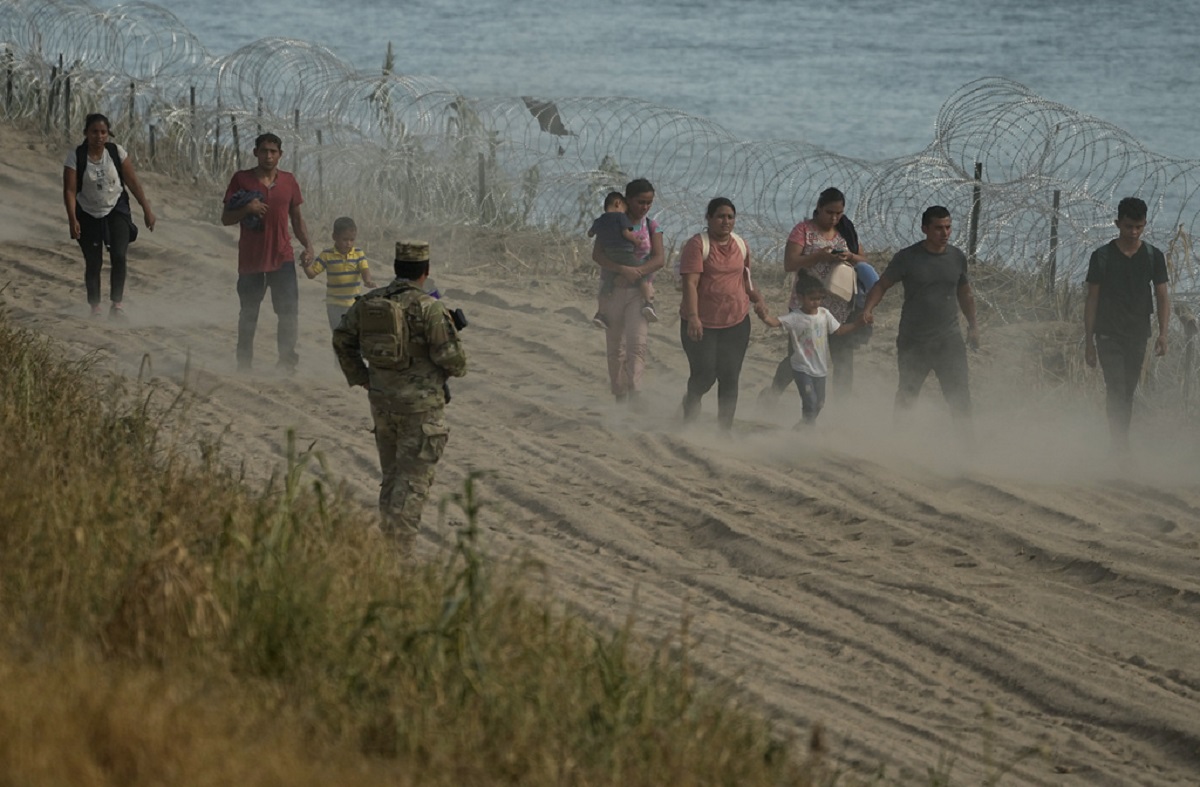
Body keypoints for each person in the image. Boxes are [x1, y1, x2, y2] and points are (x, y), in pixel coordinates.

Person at [331, 240, 468, 553]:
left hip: (382, 404)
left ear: (396, 268)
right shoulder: (429, 308)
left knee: (393, 479)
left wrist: (363, 378)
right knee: (412, 485)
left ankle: (388, 552)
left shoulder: (371, 301)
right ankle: (400, 562)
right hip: (421, 412)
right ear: (426, 272)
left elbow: (342, 339)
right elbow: (456, 364)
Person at [861, 205, 979, 427]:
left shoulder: (956, 257)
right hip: (914, 340)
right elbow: (882, 285)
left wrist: (973, 325)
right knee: (908, 392)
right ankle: (898, 443)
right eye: (938, 228)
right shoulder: (907, 257)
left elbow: (965, 293)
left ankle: (967, 450)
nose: (944, 233)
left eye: (948, 228)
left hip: (949, 340)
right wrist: (868, 310)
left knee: (960, 396)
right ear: (925, 229)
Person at [761, 187, 869, 403]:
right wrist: (818, 256)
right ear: (818, 209)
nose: (834, 217)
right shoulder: (803, 230)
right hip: (807, 307)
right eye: (830, 212)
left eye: (839, 213)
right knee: (799, 357)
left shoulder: (845, 231)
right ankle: (773, 394)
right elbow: (790, 263)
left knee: (843, 360)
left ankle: (842, 408)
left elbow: (862, 260)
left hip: (840, 308)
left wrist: (850, 256)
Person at [221, 132, 315, 373]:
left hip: (282, 258)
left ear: (281, 155)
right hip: (251, 260)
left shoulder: (289, 181)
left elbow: (296, 218)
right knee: (249, 314)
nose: (268, 155)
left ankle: (286, 363)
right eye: (264, 150)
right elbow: (226, 218)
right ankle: (244, 364)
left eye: (273, 151)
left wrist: (308, 246)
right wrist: (247, 208)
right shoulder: (241, 179)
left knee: (288, 313)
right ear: (255, 153)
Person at [1084, 197, 1171, 452]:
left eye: (1138, 227)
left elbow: (1163, 295)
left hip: (1137, 334)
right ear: (1117, 224)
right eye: (1128, 226)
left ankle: (1120, 442)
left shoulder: (1153, 257)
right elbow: (1092, 299)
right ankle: (1119, 446)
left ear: (1145, 224)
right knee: (1116, 388)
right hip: (1108, 334)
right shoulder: (1102, 257)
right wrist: (1088, 341)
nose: (1133, 232)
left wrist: (1163, 334)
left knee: (1127, 392)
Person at [678, 197, 764, 431]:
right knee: (704, 375)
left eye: (730, 217)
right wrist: (694, 317)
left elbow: (745, 279)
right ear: (709, 218)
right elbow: (690, 284)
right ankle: (690, 407)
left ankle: (724, 430)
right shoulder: (698, 245)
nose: (726, 221)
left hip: (736, 322)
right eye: (720, 216)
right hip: (701, 324)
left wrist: (758, 300)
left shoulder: (741, 244)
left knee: (729, 377)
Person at [61, 113, 156, 318]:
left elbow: (133, 183)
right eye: (94, 132)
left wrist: (147, 209)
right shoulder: (76, 157)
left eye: (103, 132)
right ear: (86, 133)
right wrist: (72, 219)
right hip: (87, 213)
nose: (99, 136)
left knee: (119, 256)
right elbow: (69, 190)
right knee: (94, 262)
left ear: (108, 134)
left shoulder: (116, 153)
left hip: (116, 209)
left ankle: (117, 305)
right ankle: (95, 307)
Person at [755, 272, 867, 426]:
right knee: (811, 402)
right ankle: (805, 430)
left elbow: (839, 330)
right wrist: (763, 316)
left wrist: (857, 324)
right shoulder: (795, 317)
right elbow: (775, 323)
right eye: (812, 299)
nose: (816, 302)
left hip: (820, 369)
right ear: (800, 298)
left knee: (820, 403)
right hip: (801, 368)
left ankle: (803, 426)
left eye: (819, 299)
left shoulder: (824, 314)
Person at [592, 178, 665, 403]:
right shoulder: (610, 223)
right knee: (616, 348)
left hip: (639, 293)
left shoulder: (652, 226)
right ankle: (619, 393)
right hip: (613, 288)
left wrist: (638, 273)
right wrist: (622, 269)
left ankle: (635, 392)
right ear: (627, 200)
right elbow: (598, 255)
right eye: (640, 202)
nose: (644, 207)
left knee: (638, 344)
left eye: (649, 203)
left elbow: (659, 258)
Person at [588, 191, 657, 328]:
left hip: (609, 254)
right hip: (624, 253)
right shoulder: (621, 217)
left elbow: (590, 233)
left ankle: (601, 314)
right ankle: (648, 303)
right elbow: (626, 233)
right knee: (641, 273)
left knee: (608, 284)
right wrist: (637, 241)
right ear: (618, 203)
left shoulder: (600, 220)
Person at [302, 216, 377, 331]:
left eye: (352, 240)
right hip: (334, 305)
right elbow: (311, 274)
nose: (348, 243)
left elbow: (364, 269)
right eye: (345, 239)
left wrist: (367, 281)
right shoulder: (327, 255)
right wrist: (306, 265)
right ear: (334, 237)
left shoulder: (358, 253)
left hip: (353, 304)